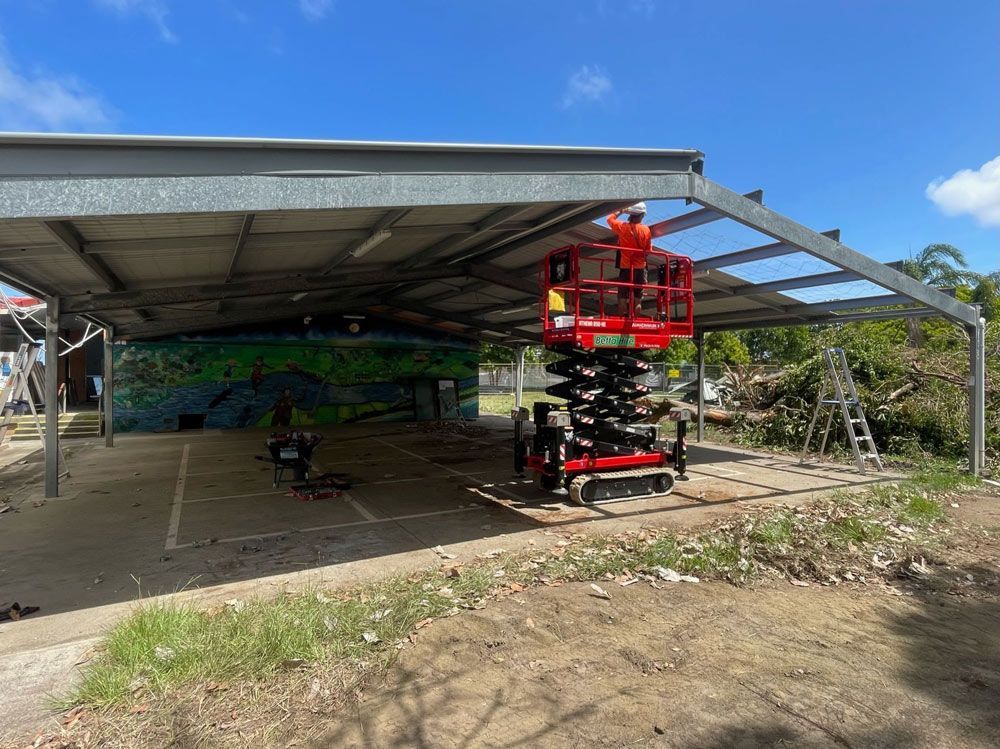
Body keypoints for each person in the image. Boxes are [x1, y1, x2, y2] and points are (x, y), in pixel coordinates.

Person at [607, 202, 652, 316]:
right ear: (641, 215)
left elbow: (609, 219)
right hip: (640, 268)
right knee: (638, 299)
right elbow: (648, 251)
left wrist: (621, 211)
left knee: (622, 297)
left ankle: (622, 318)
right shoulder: (646, 230)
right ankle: (635, 321)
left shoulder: (622, 227)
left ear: (630, 214)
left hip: (625, 267)